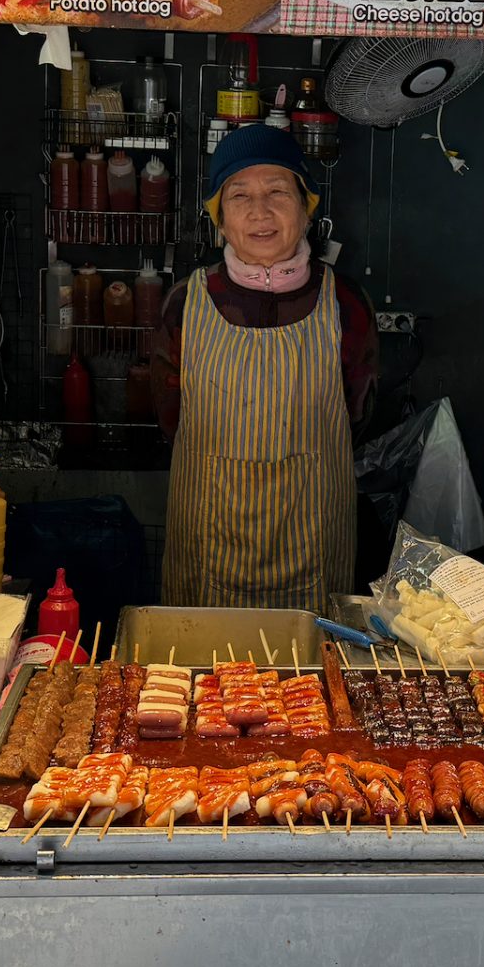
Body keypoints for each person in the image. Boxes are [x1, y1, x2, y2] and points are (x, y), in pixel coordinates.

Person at [154, 124, 377, 610]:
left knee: (314, 656)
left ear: (306, 207)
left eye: (277, 191)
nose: (260, 211)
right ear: (220, 218)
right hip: (207, 537)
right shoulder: (185, 304)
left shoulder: (345, 303)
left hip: (315, 538)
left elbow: (358, 415)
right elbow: (170, 416)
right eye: (239, 196)